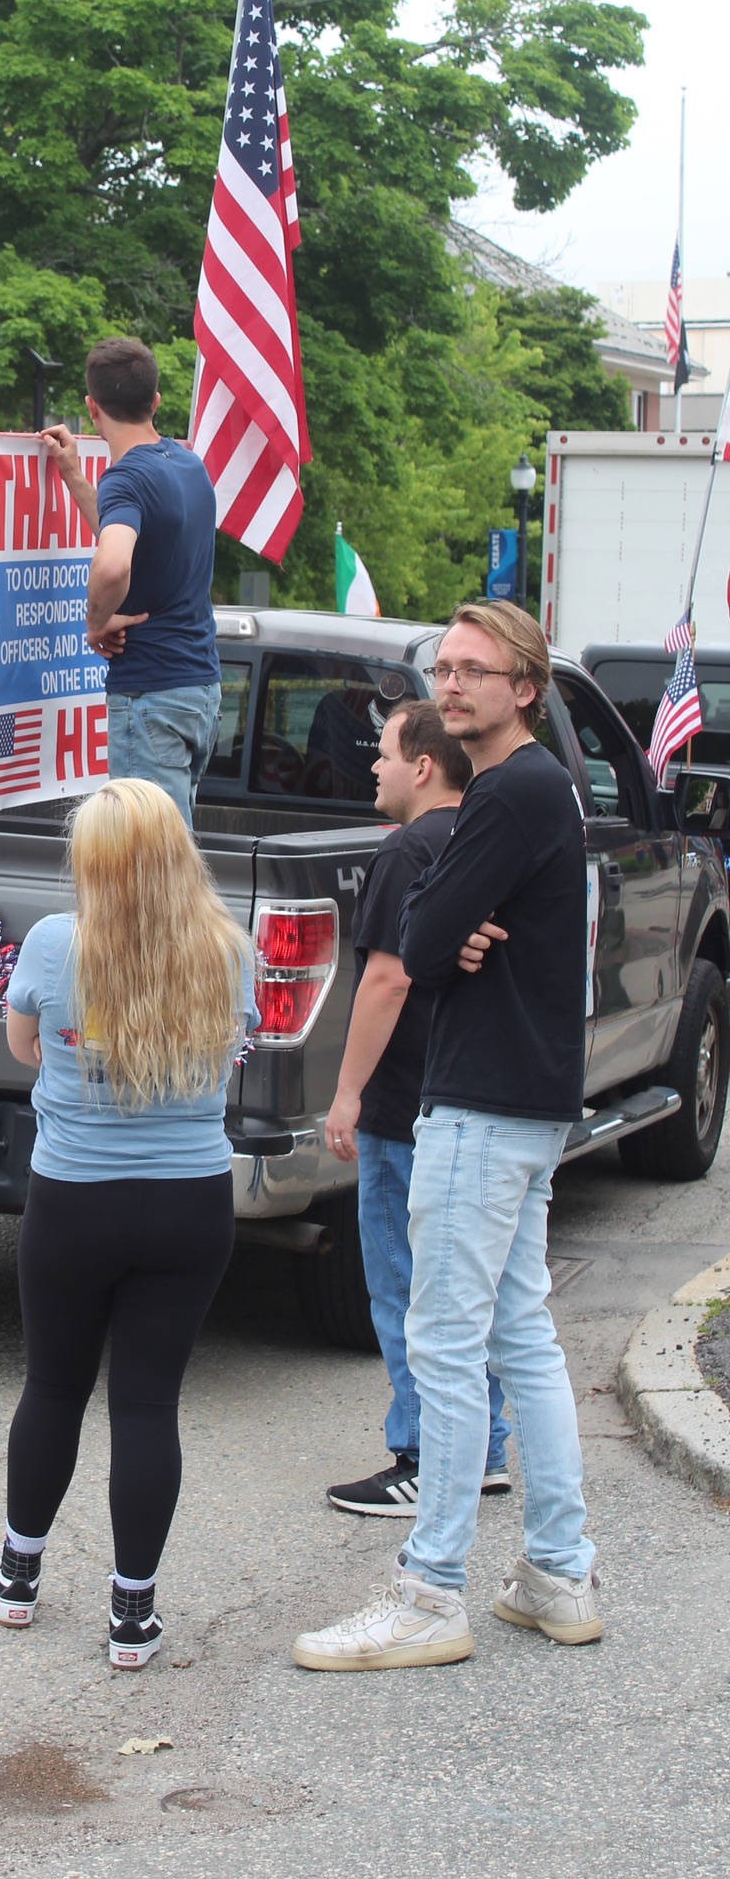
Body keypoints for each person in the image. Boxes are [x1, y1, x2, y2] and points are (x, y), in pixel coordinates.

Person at [294, 602, 599, 1671]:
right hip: (526, 1099)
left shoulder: (511, 793)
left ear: (527, 687)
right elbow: (438, 932)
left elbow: (417, 940)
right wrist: (448, 929)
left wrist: (446, 930)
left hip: (480, 1104)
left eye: (479, 670)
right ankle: (559, 1572)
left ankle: (429, 1591)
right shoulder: (539, 792)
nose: (455, 684)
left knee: (449, 1346)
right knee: (520, 1338)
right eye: (448, 668)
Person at [0, 776, 256, 1668]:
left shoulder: (56, 941)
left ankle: (20, 1574)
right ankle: (132, 1614)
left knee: (54, 1388)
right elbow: (238, 1047)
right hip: (189, 1201)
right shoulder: (227, 949)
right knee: (148, 1403)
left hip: (75, 1198)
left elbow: (21, 1043)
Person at [321, 698, 513, 1518]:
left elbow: (389, 978)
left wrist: (347, 1093)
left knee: (404, 1290)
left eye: (386, 753)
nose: (373, 766)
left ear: (423, 766)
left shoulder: (405, 850)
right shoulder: (479, 841)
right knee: (472, 1294)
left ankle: (422, 1455)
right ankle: (486, 1448)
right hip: (471, 1099)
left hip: (404, 1111)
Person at [42, 338, 220, 821]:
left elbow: (115, 561)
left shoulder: (126, 477)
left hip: (150, 696)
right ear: (155, 401)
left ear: (91, 407)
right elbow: (127, 533)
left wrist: (95, 622)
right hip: (199, 689)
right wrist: (76, 477)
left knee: (151, 867)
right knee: (173, 857)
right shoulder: (189, 465)